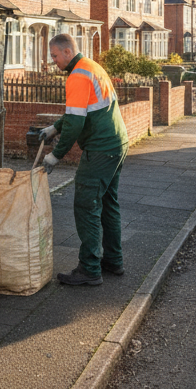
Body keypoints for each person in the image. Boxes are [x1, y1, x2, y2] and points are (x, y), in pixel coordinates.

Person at [39, 34, 129, 286]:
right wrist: (54, 128)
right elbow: (79, 111)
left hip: (101, 149)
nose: (53, 61)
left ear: (68, 52)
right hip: (117, 143)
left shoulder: (78, 76)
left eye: (55, 56)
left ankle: (90, 268)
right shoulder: (90, 66)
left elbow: (76, 122)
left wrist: (55, 156)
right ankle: (113, 260)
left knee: (86, 204)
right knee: (108, 203)